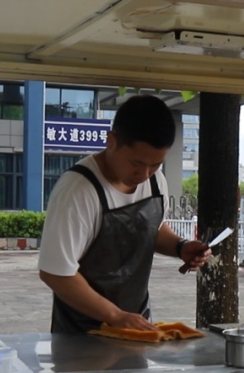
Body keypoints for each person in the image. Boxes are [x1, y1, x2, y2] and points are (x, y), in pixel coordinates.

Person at [38, 95, 210, 335]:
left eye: (156, 164)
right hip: (81, 335)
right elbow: (55, 272)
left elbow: (153, 228)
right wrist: (115, 316)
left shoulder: (155, 181)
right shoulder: (78, 191)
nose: (144, 173)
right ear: (111, 141)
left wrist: (180, 247)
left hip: (137, 326)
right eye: (136, 163)